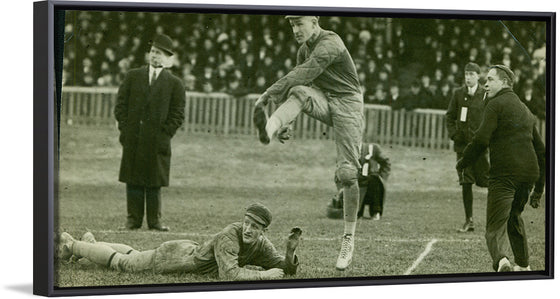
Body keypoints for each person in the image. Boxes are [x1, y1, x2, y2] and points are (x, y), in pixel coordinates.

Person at [252, 15, 364, 271]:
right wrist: (286, 124)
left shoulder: (331, 42)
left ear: (315, 21)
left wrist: (269, 93)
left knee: (347, 173)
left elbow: (307, 70)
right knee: (299, 91)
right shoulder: (303, 50)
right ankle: (270, 128)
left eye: (299, 23)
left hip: (348, 104)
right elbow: (303, 84)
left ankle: (348, 238)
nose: (295, 29)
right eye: (292, 25)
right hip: (325, 100)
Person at [57, 203, 302, 281]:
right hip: (172, 258)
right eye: (247, 223)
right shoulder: (231, 234)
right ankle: (72, 245)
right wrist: (264, 276)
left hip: (182, 250)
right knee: (122, 263)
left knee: (133, 252)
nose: (248, 229)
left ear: (263, 231)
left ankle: (91, 243)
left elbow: (285, 269)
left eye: (255, 227)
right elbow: (230, 274)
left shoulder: (261, 244)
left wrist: (290, 252)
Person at [456, 65, 546, 272]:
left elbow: (480, 139)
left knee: (494, 226)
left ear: (504, 82)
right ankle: (523, 266)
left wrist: (463, 162)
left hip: (505, 173)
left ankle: (502, 262)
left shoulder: (495, 104)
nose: (485, 84)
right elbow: (542, 152)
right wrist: (539, 189)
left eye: (490, 80)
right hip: (528, 174)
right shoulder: (525, 109)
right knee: (514, 217)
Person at [114, 34, 186, 231]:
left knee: (154, 182)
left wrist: (164, 135)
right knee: (133, 179)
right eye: (153, 52)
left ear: (167, 58)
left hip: (157, 141)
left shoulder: (175, 84)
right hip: (134, 138)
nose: (155, 56)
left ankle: (154, 221)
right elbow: (120, 106)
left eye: (160, 53)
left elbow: (178, 115)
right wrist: (126, 130)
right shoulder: (133, 76)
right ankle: (133, 220)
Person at [445, 62, 489, 233]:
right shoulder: (458, 94)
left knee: (486, 181)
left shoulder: (485, 95)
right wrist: (455, 135)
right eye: (466, 74)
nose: (468, 78)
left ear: (478, 76)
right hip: (463, 148)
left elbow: (492, 118)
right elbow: (449, 117)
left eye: (472, 74)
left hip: (480, 147)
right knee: (466, 181)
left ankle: (497, 219)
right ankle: (469, 220)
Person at [328, 143, 391, 220]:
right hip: (356, 185)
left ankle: (375, 212)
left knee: (375, 179)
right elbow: (340, 171)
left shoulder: (372, 148)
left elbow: (386, 163)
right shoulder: (346, 151)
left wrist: (382, 178)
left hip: (370, 185)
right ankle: (356, 212)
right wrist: (341, 188)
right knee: (353, 214)